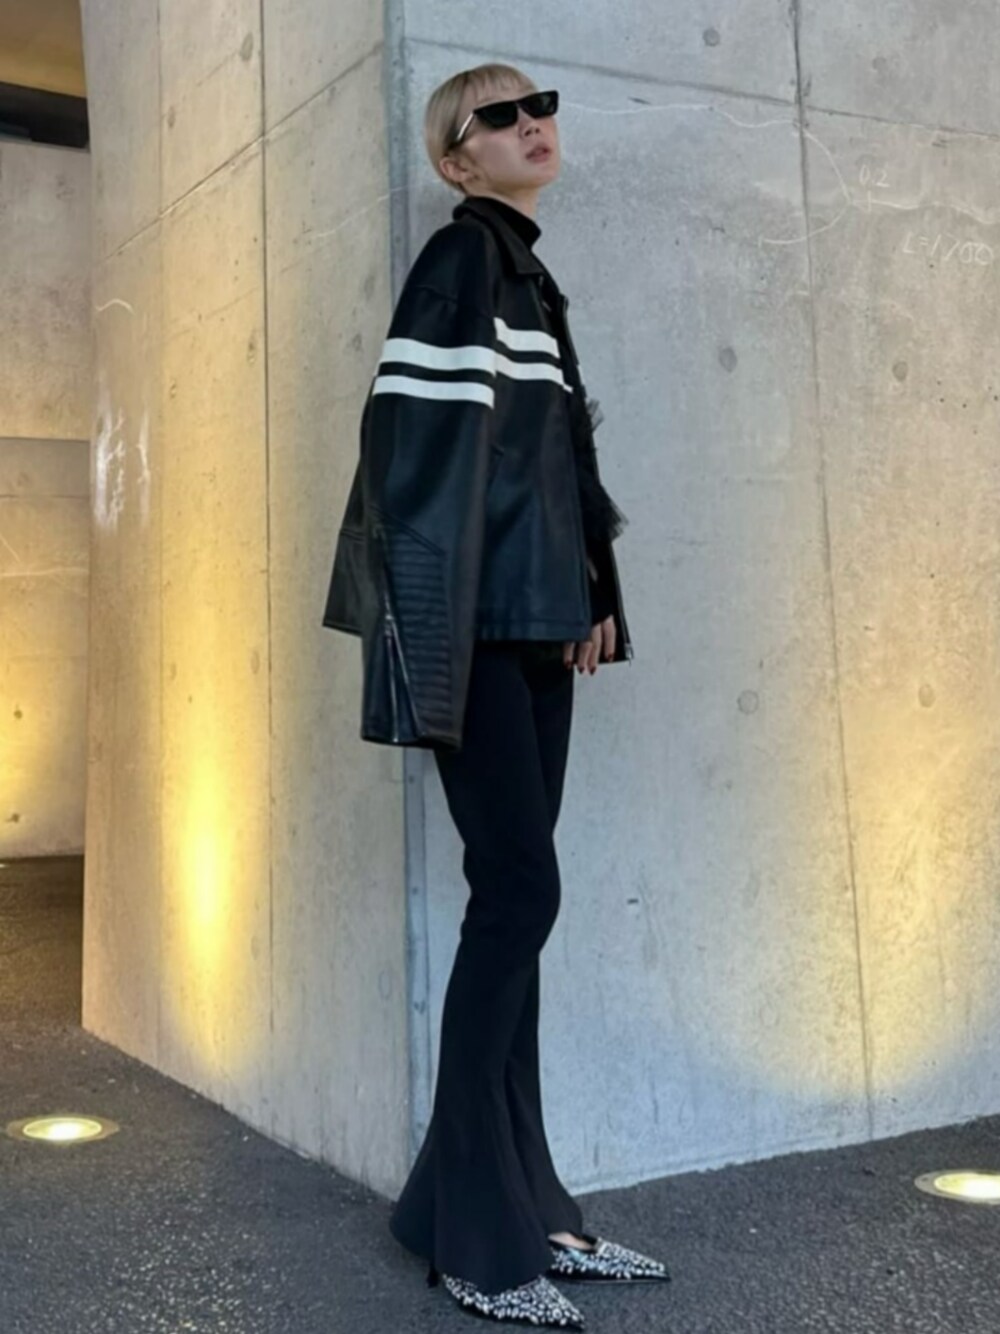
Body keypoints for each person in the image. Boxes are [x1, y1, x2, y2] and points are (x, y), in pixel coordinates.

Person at [321, 62, 669, 1329]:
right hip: (474, 628)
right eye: (502, 117)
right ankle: (477, 1231)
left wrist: (592, 588)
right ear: (456, 159)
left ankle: (522, 1206)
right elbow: (409, 453)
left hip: (535, 623)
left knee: (516, 901)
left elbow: (556, 456)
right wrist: (434, 637)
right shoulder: (461, 260)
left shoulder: (524, 271)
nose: (534, 126)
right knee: (520, 892)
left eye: (543, 108)